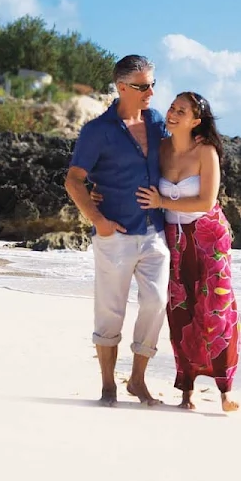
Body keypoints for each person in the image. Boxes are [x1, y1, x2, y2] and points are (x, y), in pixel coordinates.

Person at [64, 55, 170, 407]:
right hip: (116, 234)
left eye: (153, 83)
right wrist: (98, 220)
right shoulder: (97, 131)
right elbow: (74, 180)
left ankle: (137, 380)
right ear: (122, 88)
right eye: (143, 86)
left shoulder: (156, 123)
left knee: (157, 301)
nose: (151, 91)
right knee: (110, 311)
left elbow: (181, 155)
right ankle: (108, 385)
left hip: (155, 232)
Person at [135, 92, 241, 412]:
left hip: (210, 237)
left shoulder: (206, 152)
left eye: (182, 111)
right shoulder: (161, 149)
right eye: (172, 108)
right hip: (175, 240)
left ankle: (225, 391)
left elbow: (206, 201)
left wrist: (162, 202)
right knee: (181, 311)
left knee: (217, 309)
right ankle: (186, 389)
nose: (173, 113)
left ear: (195, 121)